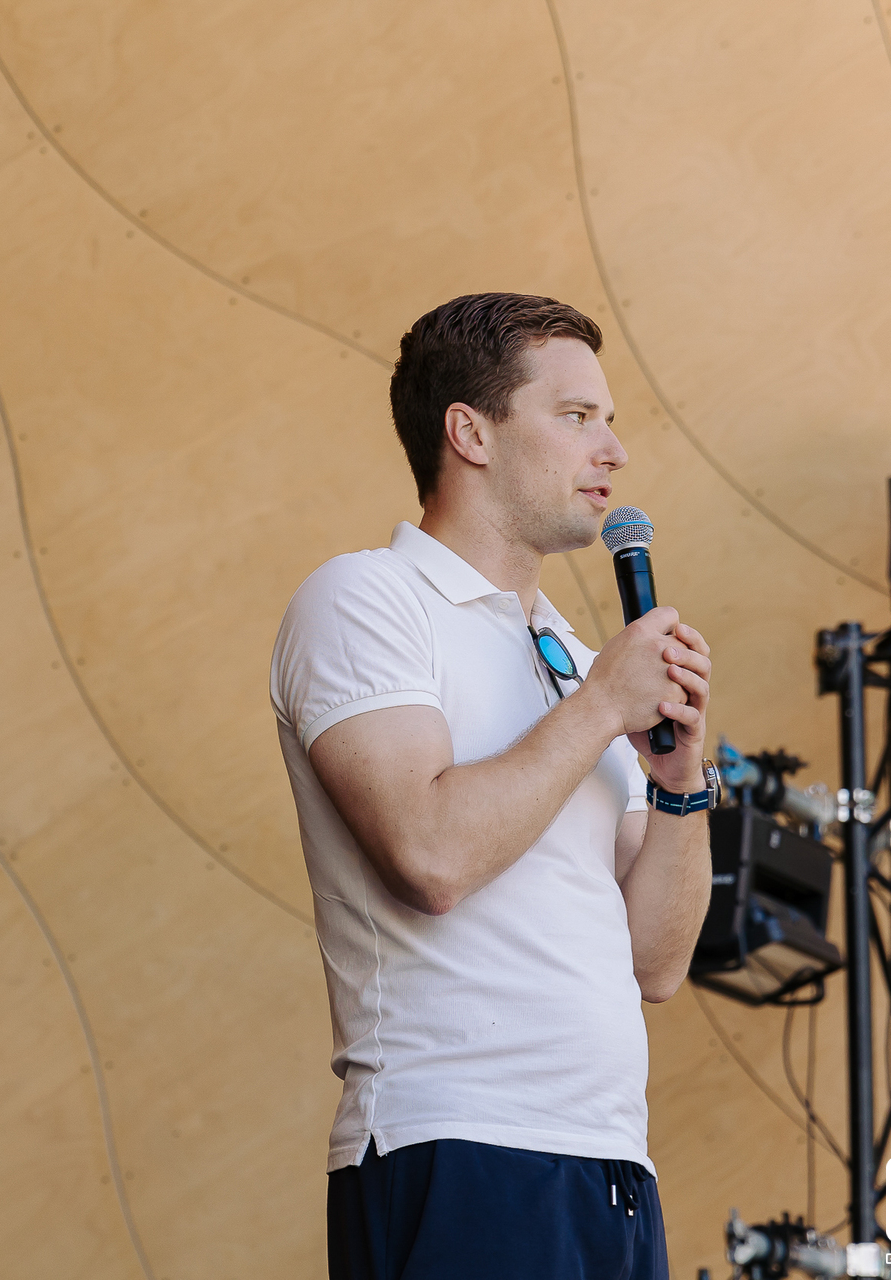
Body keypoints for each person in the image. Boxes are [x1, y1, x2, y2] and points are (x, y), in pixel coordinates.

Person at [269, 294, 714, 1279]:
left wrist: (682, 783)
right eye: (576, 416)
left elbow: (655, 963)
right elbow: (430, 856)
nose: (614, 451)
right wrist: (600, 708)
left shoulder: (576, 658)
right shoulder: (366, 597)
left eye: (609, 420)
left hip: (611, 1163)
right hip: (458, 1141)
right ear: (470, 433)